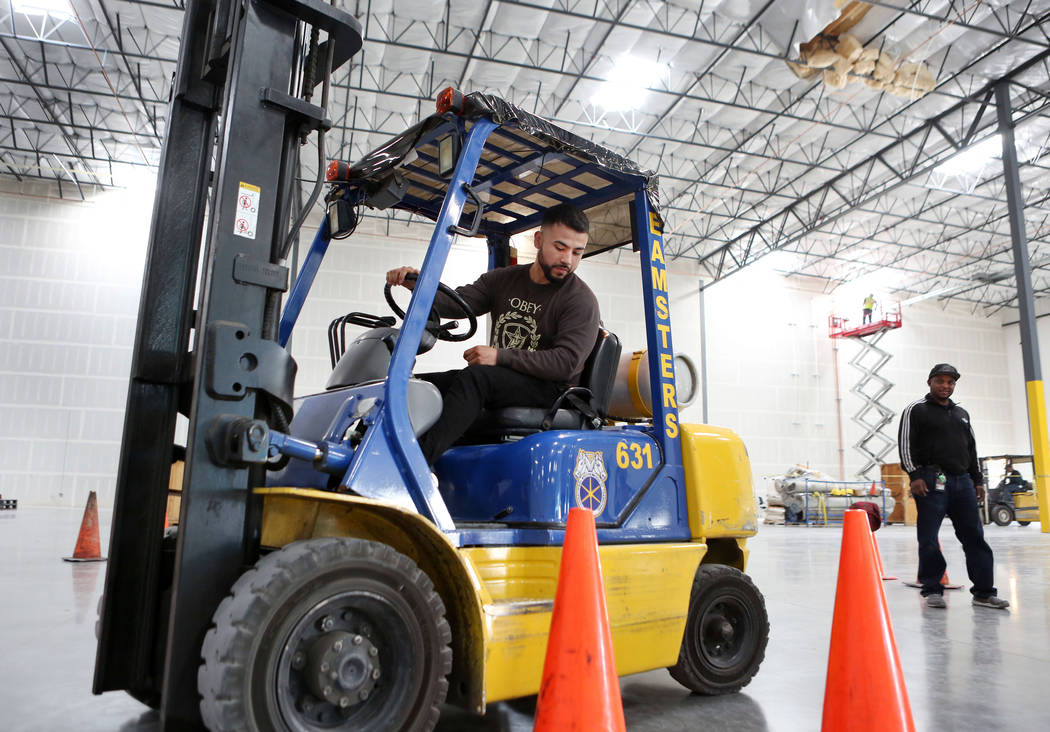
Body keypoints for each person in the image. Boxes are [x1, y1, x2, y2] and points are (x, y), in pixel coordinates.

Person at [386, 203, 599, 466]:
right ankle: (383, 448)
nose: (568, 260)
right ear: (539, 240)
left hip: (551, 389)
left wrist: (499, 356)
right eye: (560, 247)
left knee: (477, 379)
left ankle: (411, 464)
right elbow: (456, 303)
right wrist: (417, 284)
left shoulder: (580, 300)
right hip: (503, 379)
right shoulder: (503, 280)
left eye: (577, 252)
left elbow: (565, 364)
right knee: (420, 385)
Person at [897, 363, 1009, 610]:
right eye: (941, 381)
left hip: (962, 482)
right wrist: (914, 475)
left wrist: (977, 480)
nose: (946, 386)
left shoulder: (962, 413)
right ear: (930, 382)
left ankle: (983, 593)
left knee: (975, 537)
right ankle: (933, 590)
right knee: (928, 538)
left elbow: (971, 449)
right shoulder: (915, 410)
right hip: (930, 480)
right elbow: (906, 446)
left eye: (950, 382)